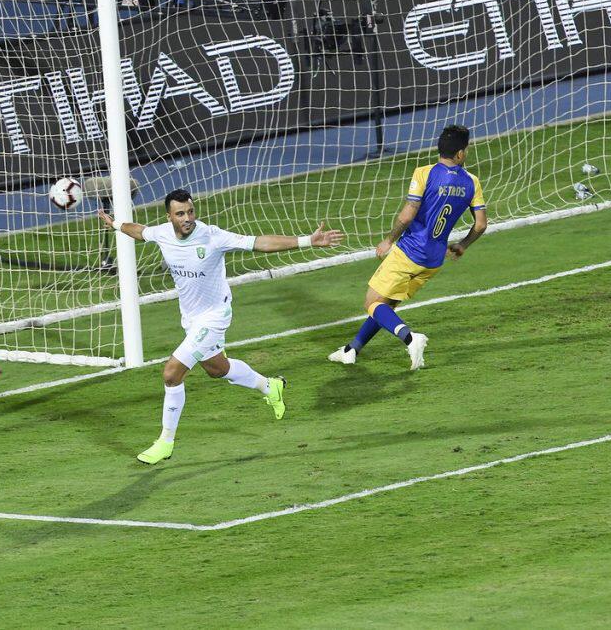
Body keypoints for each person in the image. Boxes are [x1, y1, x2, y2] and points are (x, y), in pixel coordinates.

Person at [98, 188, 345, 464]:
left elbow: (259, 242)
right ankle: (269, 386)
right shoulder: (163, 234)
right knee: (218, 369)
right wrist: (116, 224)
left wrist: (306, 241)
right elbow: (140, 231)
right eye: (180, 214)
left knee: (171, 373)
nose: (187, 218)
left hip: (214, 316)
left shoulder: (212, 236)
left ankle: (165, 442)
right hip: (190, 319)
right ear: (169, 216)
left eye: (190, 211)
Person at [329, 124, 487, 369]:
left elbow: (407, 216)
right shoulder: (472, 182)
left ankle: (410, 338)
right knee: (386, 304)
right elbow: (480, 224)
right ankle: (352, 350)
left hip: (410, 251)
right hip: (434, 260)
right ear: (460, 154)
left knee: (372, 302)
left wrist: (388, 240)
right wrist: (463, 244)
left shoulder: (424, 173)